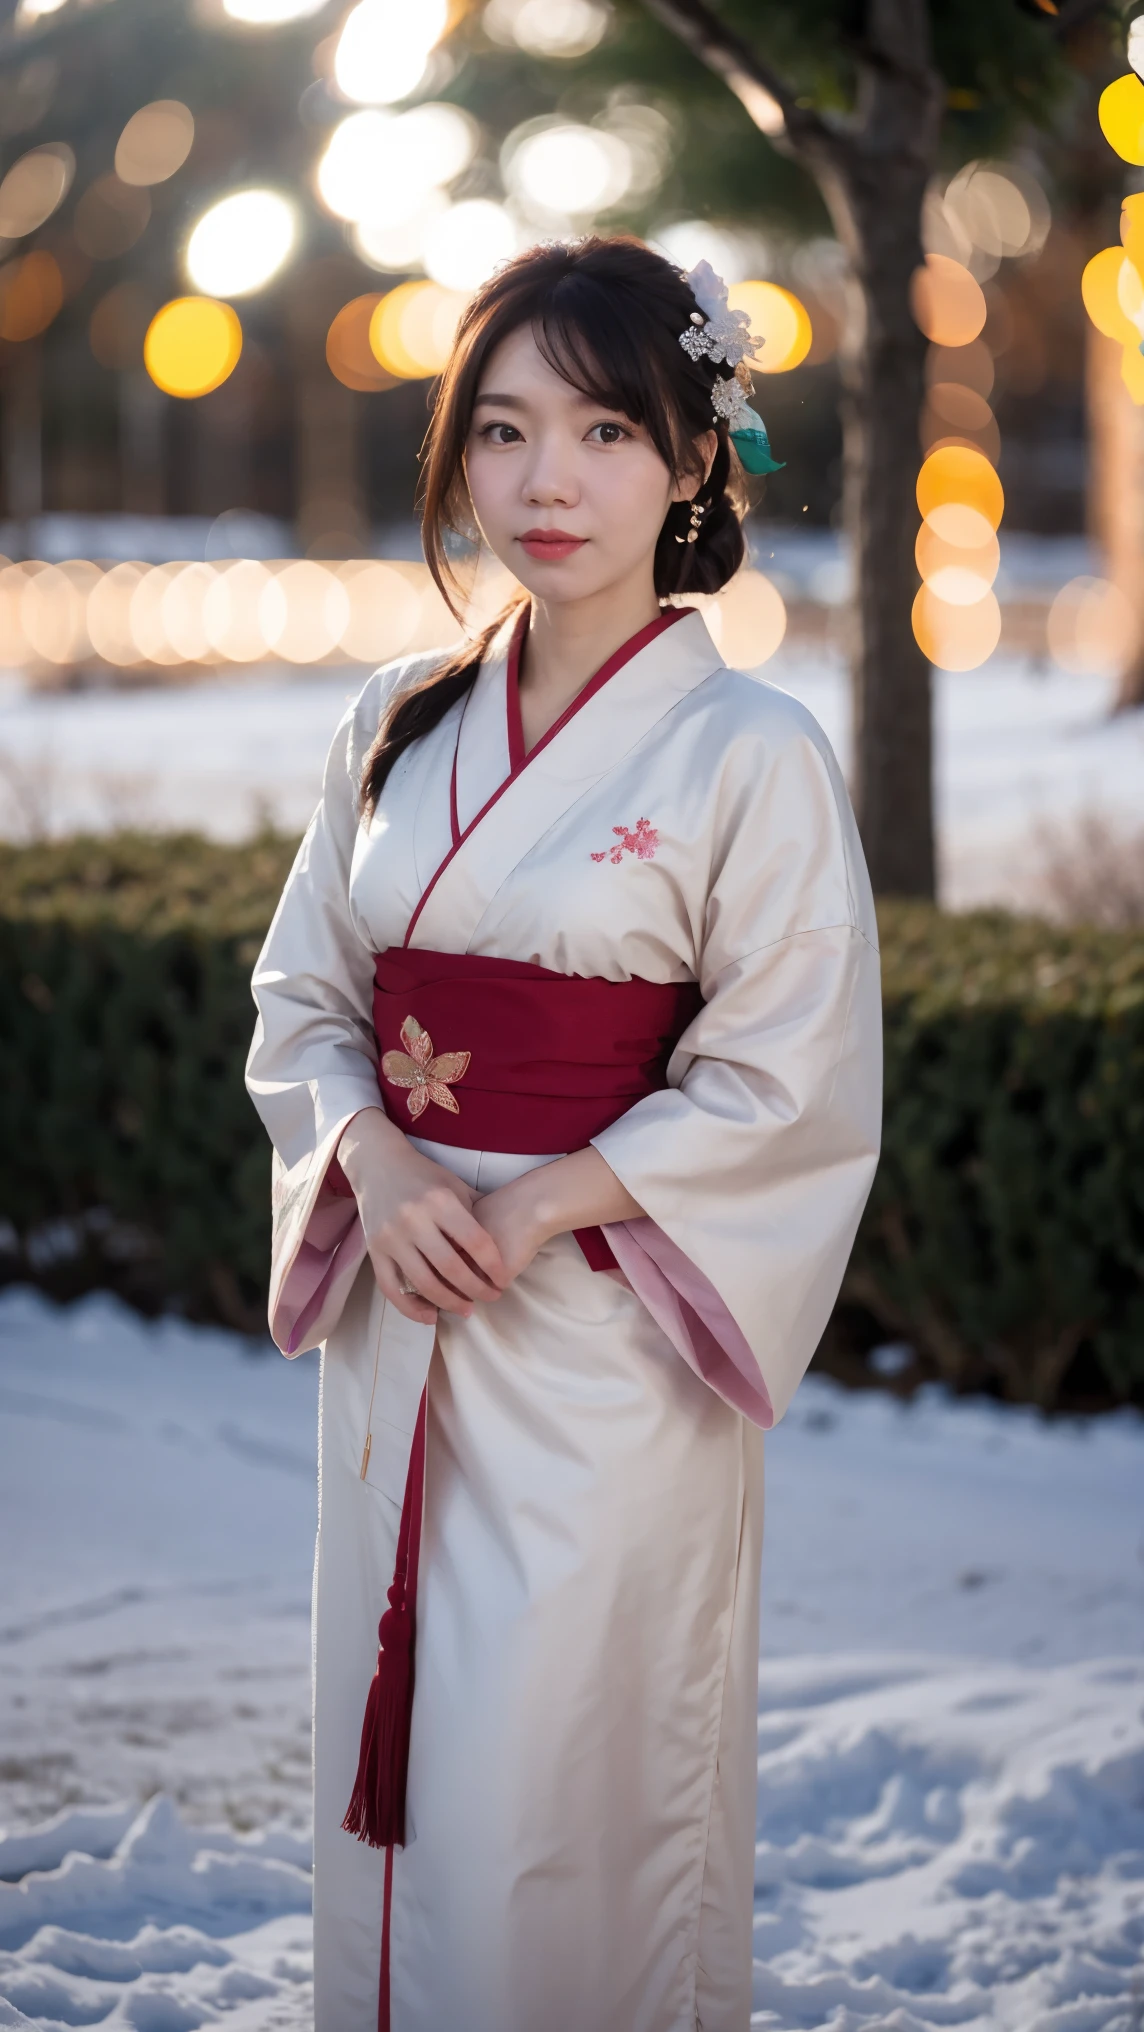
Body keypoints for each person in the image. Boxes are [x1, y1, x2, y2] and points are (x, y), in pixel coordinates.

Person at [246, 235, 882, 2032]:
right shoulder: (395, 721)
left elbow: (789, 1075)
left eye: (606, 431)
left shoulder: (749, 752)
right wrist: (372, 1157)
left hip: (603, 1338)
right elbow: (308, 997)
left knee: (556, 1781)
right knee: (407, 1765)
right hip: (402, 1308)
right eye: (505, 431)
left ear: (694, 461)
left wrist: (540, 1212)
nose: (546, 482)